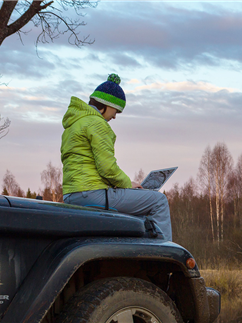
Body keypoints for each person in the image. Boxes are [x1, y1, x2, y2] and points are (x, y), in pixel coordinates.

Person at [60, 74, 173, 241]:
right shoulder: (96, 123)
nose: (114, 117)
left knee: (140, 210)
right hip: (92, 193)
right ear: (106, 105)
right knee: (158, 201)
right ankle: (164, 252)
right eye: (116, 111)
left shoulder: (75, 124)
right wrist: (128, 185)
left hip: (72, 194)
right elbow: (107, 168)